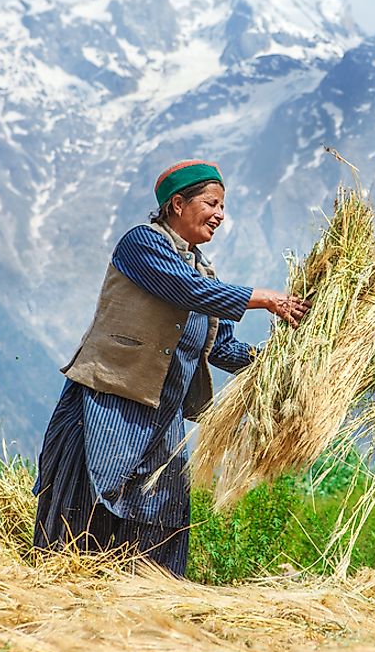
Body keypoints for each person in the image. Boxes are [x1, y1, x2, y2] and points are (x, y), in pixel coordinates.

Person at [32, 159, 309, 576]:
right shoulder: (142, 245)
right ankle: (65, 592)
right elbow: (187, 290)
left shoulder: (203, 271)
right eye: (211, 203)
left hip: (162, 420)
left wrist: (282, 363)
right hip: (110, 405)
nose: (220, 215)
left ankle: (147, 603)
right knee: (85, 507)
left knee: (160, 515)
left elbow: (221, 348)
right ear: (178, 204)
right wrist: (265, 299)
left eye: (222, 206)